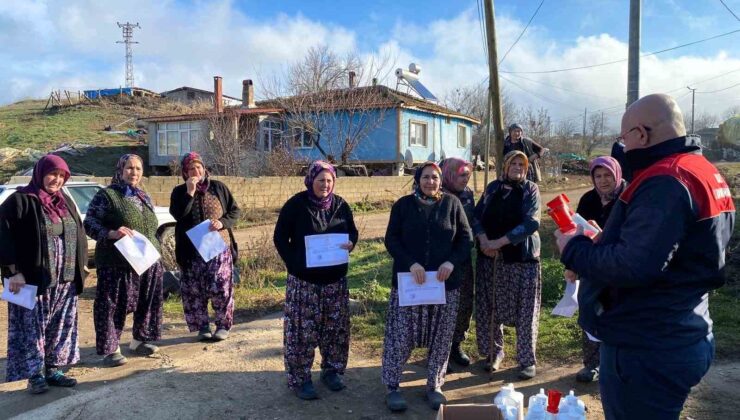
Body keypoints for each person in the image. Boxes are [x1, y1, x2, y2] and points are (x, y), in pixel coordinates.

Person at [556, 94, 735, 419]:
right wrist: (605, 240)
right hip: (684, 327)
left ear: (641, 134)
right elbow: (673, 252)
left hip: (648, 344)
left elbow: (633, 266)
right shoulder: (703, 171)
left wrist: (574, 248)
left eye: (624, 138)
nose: (622, 147)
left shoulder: (665, 180)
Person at [382, 161, 473, 412]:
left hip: (443, 285)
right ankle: (392, 386)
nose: (430, 182)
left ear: (441, 180)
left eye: (435, 177)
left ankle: (434, 385)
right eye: (425, 177)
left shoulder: (452, 205)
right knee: (401, 335)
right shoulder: (403, 206)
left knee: (441, 337)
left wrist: (451, 263)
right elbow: (391, 239)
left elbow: (466, 239)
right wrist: (410, 263)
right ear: (417, 179)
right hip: (409, 284)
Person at [0, 155, 88, 394]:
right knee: (32, 328)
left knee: (60, 325)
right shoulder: (20, 200)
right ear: (40, 173)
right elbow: (3, 237)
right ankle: (35, 375)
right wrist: (12, 271)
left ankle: (53, 369)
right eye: (53, 174)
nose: (57, 180)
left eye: (62, 176)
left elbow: (78, 232)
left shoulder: (64, 202)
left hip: (63, 279)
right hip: (30, 280)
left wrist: (81, 267)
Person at [273, 160, 358, 400]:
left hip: (335, 280)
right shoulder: (296, 205)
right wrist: (294, 264)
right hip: (304, 281)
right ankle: (301, 378)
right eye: (321, 180)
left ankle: (331, 371)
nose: (325, 184)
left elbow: (352, 232)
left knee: (335, 328)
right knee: (302, 331)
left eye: (329, 180)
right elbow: (280, 238)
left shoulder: (341, 205)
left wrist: (352, 243)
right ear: (311, 180)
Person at [84, 154, 164, 367]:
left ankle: (139, 341)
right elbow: (89, 222)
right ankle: (112, 349)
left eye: (138, 168)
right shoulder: (107, 195)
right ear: (120, 169)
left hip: (146, 262)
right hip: (116, 263)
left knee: (146, 302)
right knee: (112, 305)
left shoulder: (143, 196)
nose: (134, 172)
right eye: (129, 168)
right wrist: (110, 233)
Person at [474, 150, 542, 379]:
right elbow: (475, 217)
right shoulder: (493, 188)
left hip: (522, 260)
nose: (517, 167)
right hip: (491, 260)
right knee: (489, 307)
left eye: (521, 164)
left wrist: (499, 243)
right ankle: (494, 353)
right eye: (513, 163)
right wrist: (484, 240)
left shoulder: (530, 189)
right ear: (504, 166)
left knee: (525, 310)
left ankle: (526, 360)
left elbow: (532, 222)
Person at [564, 156, 627, 383]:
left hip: (619, 268)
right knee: (590, 312)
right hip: (591, 266)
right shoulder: (589, 199)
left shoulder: (628, 198)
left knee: (617, 315)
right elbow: (576, 233)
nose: (603, 181)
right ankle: (591, 364)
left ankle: (616, 365)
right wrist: (572, 265)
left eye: (607, 175)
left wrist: (604, 237)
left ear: (617, 174)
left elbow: (635, 236)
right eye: (598, 176)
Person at [169, 152, 240, 341]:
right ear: (185, 172)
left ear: (204, 168)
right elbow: (178, 214)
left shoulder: (218, 187)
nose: (196, 171)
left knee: (221, 287)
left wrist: (222, 222)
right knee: (194, 290)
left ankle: (223, 325)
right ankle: (202, 327)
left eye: (198, 167)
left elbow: (235, 211)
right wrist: (189, 192)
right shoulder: (179, 192)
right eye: (191, 168)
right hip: (191, 251)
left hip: (218, 249)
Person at [439, 157, 481, 369]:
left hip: (462, 260)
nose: (466, 179)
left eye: (468, 175)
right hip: (440, 261)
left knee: (464, 303)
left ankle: (456, 345)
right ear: (450, 174)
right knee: (441, 304)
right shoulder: (435, 195)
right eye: (461, 175)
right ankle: (438, 349)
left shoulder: (468, 196)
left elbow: (473, 223)